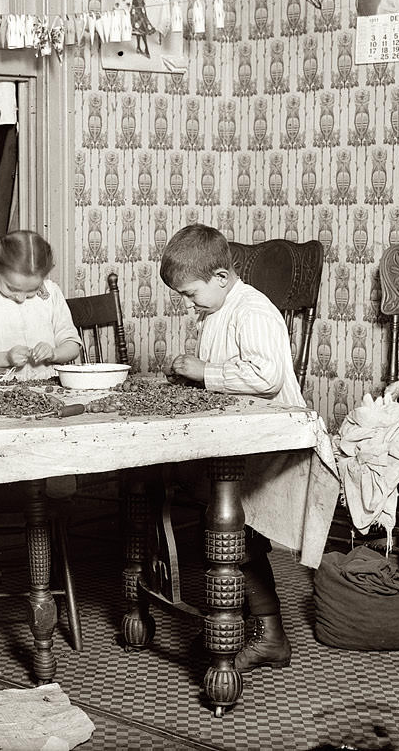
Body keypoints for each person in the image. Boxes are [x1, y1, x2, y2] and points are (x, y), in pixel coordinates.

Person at [158, 224, 307, 672]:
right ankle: (250, 625)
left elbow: (266, 378)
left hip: (272, 440)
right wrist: (192, 376)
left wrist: (205, 372)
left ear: (221, 277)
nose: (187, 304)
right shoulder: (219, 309)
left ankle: (269, 634)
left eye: (190, 294)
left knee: (232, 531)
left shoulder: (254, 311)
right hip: (241, 437)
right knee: (225, 527)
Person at [0, 230, 83, 380]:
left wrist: (55, 353)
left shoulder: (51, 293)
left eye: (32, 290)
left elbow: (72, 345)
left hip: (47, 387)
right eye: (12, 288)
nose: (21, 298)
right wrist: (5, 359)